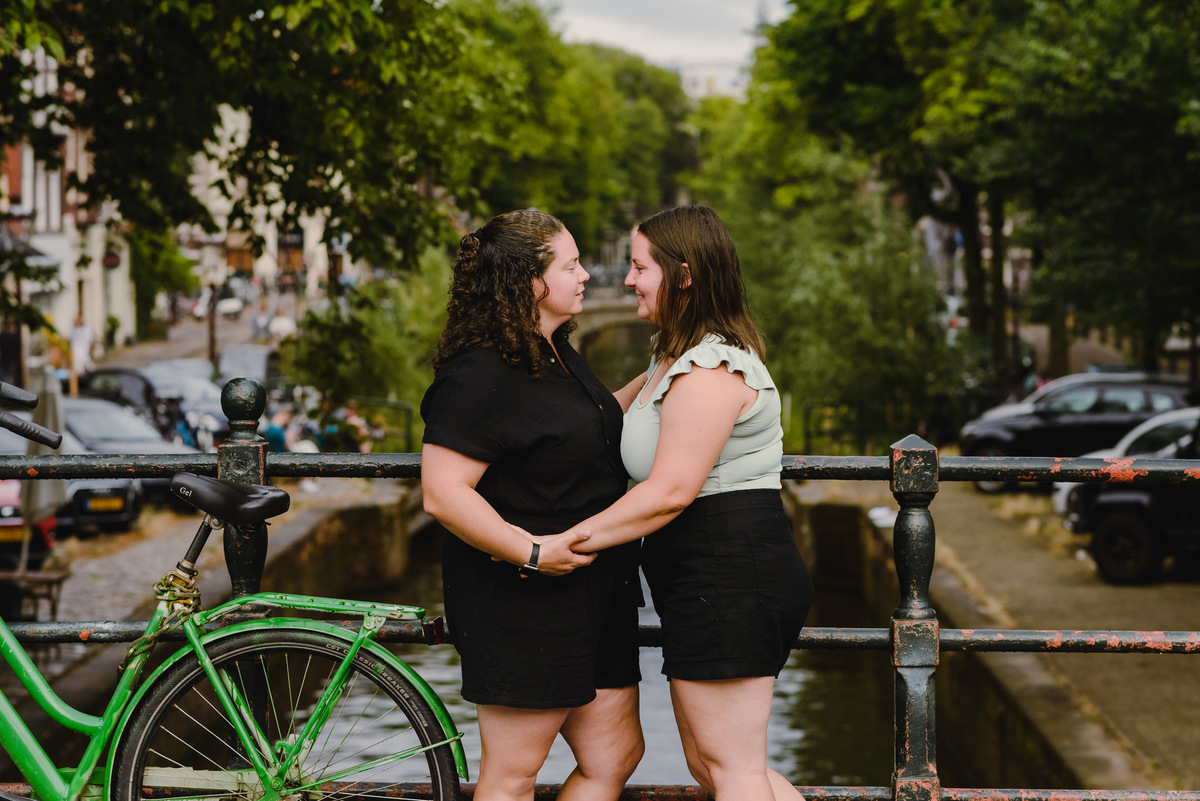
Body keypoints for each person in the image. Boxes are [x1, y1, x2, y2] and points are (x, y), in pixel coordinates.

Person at [552, 205, 815, 800]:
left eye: (640, 267)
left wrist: (561, 544)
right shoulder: (669, 361)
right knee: (714, 764)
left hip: (731, 570)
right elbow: (595, 420)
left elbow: (670, 492)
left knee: (730, 767)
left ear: (685, 274)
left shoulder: (711, 368)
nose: (626, 279)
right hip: (704, 572)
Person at [420, 209, 647, 801]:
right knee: (515, 776)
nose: (585, 278)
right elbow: (443, 493)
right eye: (569, 265)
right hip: (524, 596)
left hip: (595, 588)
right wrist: (531, 551)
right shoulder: (479, 373)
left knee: (614, 756)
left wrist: (666, 373)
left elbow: (590, 425)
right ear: (528, 281)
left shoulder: (555, 353)